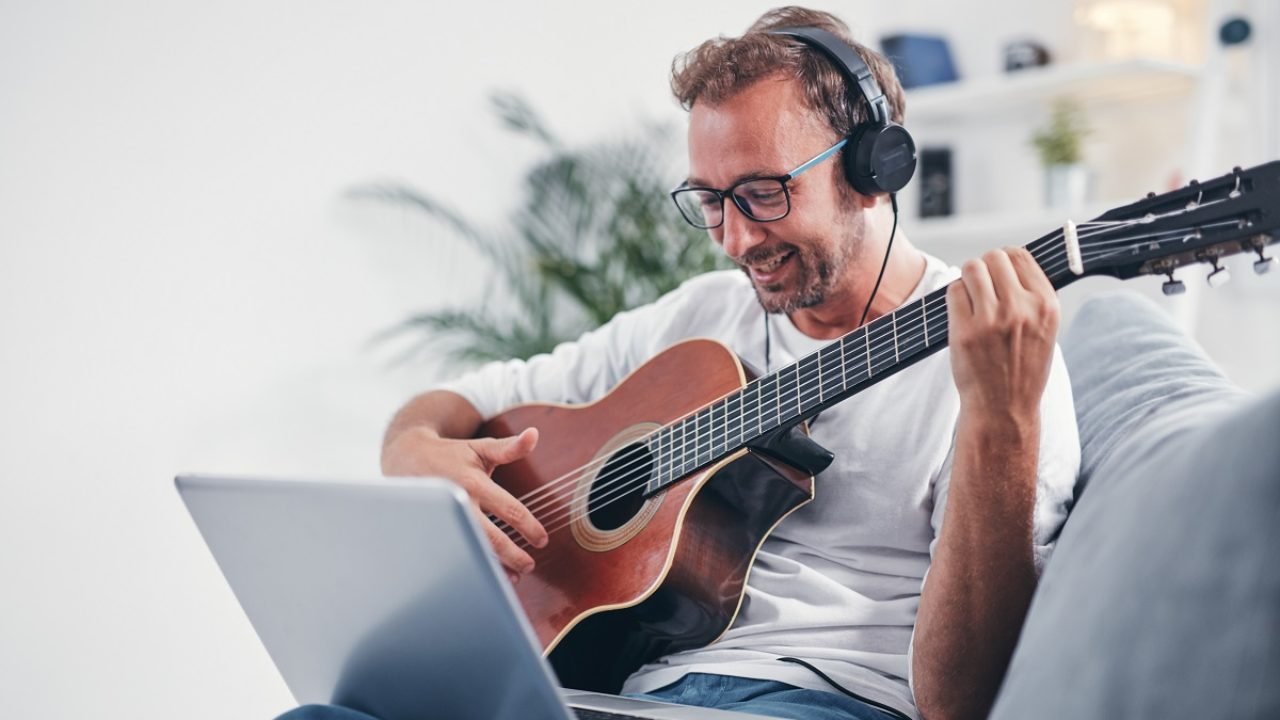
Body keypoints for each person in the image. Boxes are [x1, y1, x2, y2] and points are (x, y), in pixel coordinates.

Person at [281, 6, 1078, 720]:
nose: (734, 241)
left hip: (822, 701)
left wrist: (1000, 422)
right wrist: (412, 447)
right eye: (709, 200)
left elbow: (961, 700)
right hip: (623, 693)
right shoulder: (699, 319)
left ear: (875, 170)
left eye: (763, 193)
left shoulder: (1003, 364)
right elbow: (469, 398)